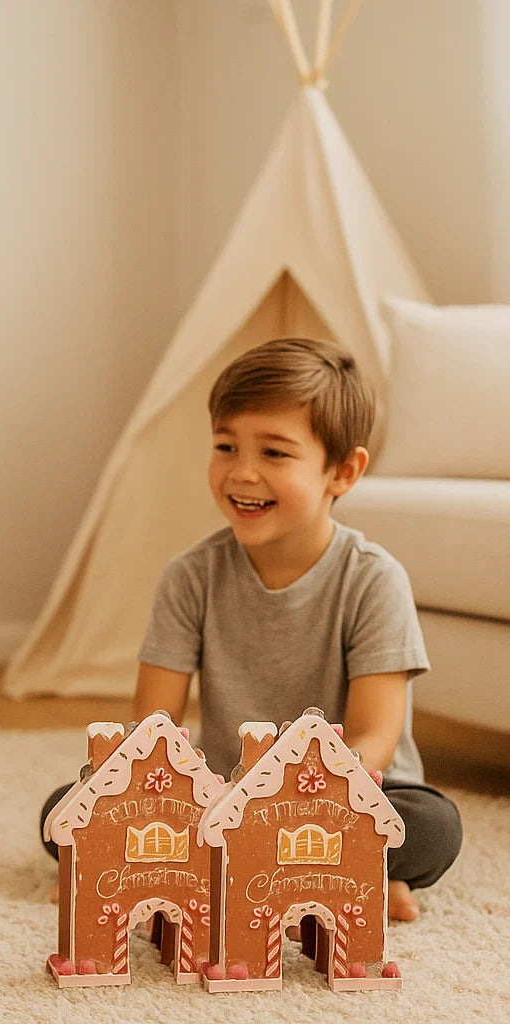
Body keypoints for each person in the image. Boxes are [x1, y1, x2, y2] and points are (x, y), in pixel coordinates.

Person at [40, 337, 462, 923]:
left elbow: (374, 739)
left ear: (343, 472)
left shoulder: (374, 581)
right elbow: (150, 731)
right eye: (225, 446)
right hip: (220, 795)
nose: (242, 472)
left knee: (434, 827)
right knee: (65, 809)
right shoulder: (190, 577)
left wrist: (296, 804)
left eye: (275, 453)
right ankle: (335, 875)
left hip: (343, 794)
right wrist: (125, 810)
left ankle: (344, 867)